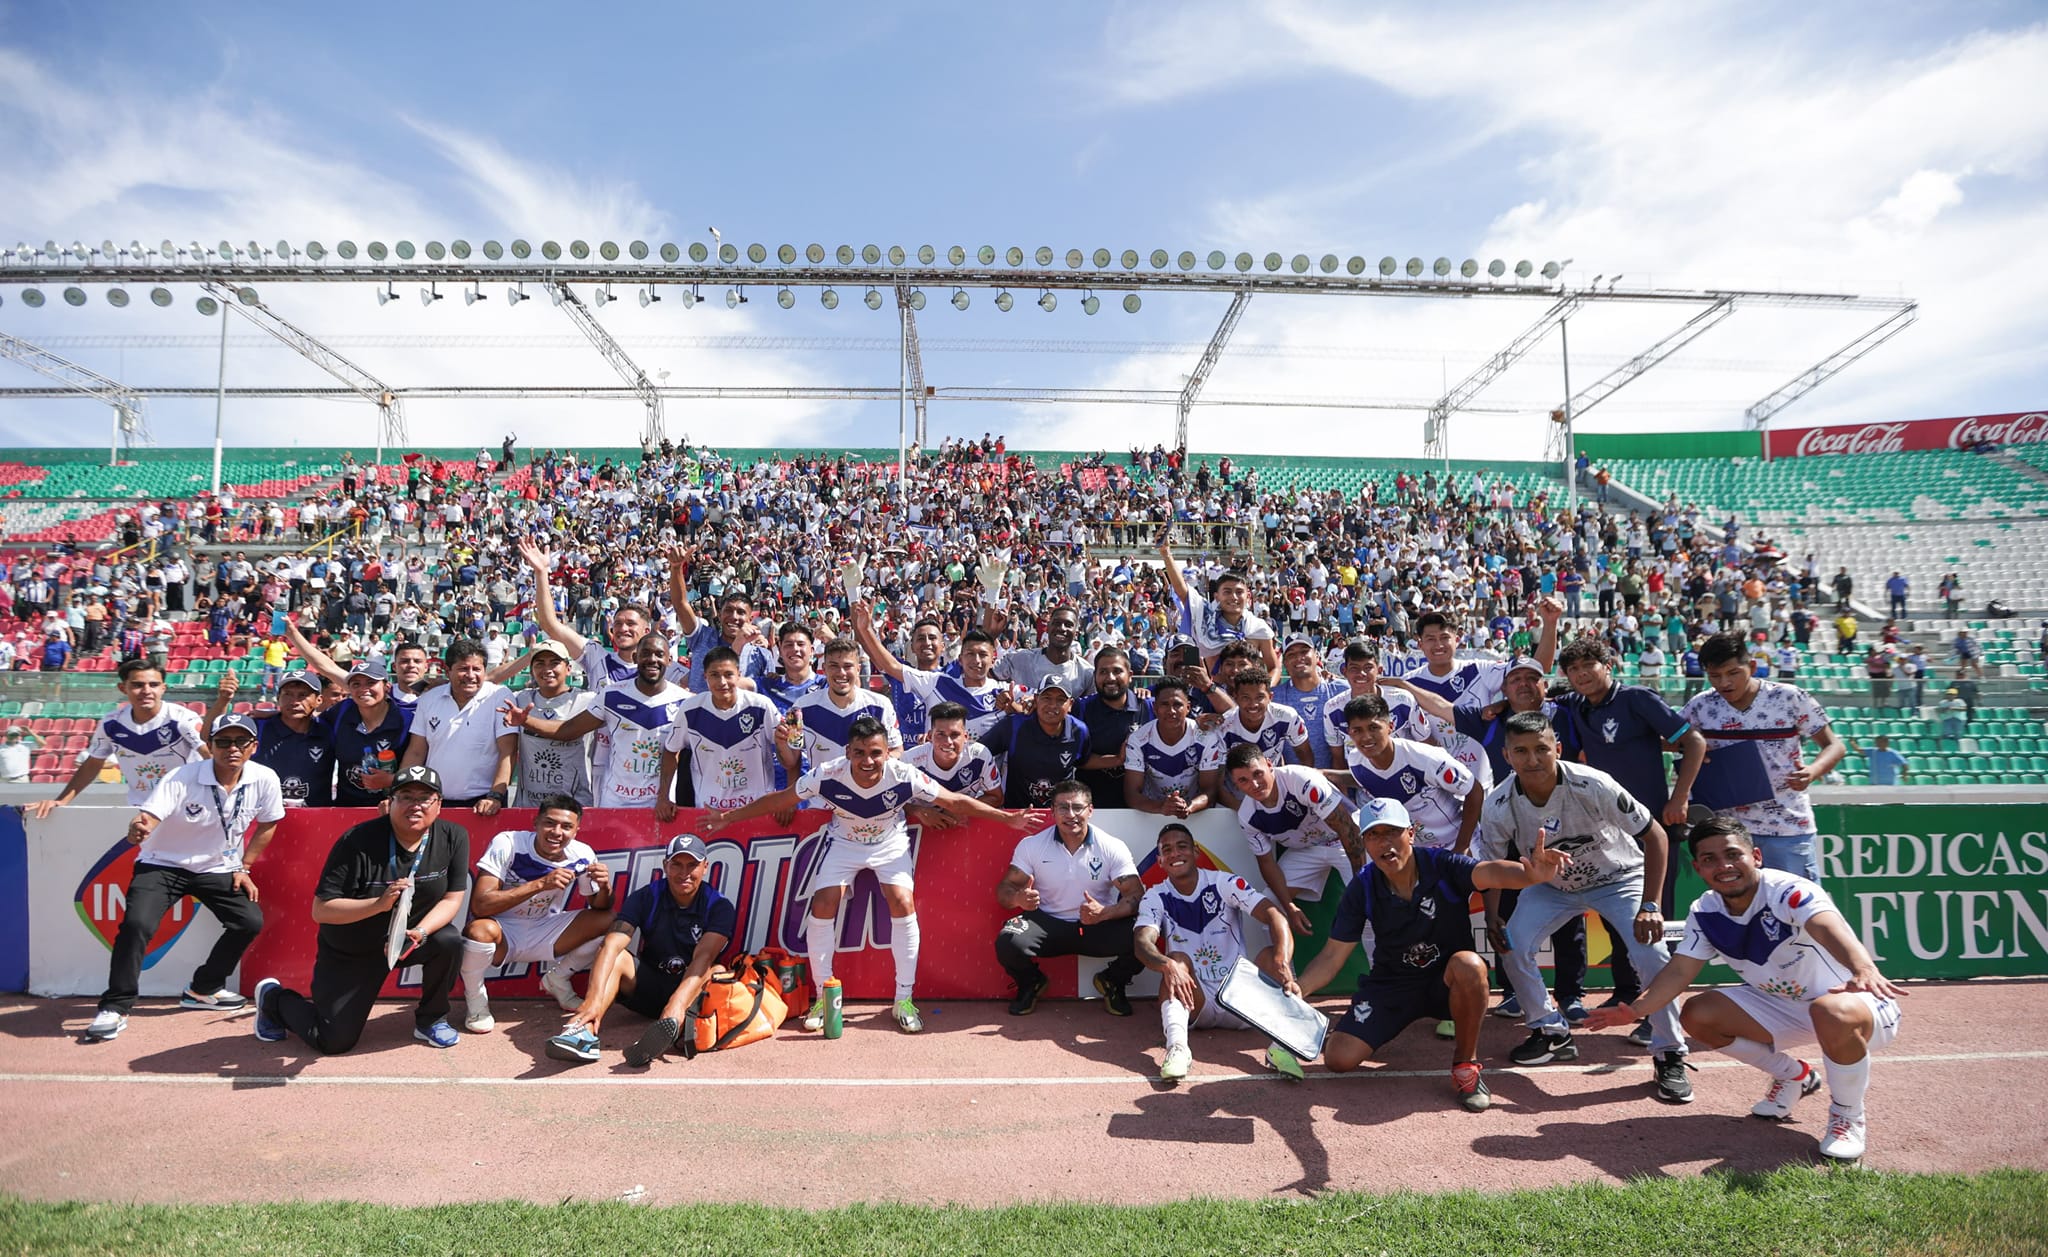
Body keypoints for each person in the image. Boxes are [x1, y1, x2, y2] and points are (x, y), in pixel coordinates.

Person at [1582, 818, 1907, 1161]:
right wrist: (1636, 1010)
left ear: (1756, 856)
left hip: (1857, 1005)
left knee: (1829, 1010)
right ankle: (1794, 1075)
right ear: (1697, 868)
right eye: (1709, 859)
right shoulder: (1705, 910)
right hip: (1784, 1006)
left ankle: (1847, 1117)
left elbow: (1827, 927)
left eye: (1732, 854)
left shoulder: (1788, 890)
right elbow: (1679, 971)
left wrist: (1863, 968)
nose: (1723, 866)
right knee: (1699, 1013)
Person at [702, 716, 1033, 1034]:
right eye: (859, 753)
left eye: (876, 753)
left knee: (902, 902)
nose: (868, 761)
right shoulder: (826, 774)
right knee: (823, 904)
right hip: (843, 842)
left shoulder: (905, 775)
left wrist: (1006, 820)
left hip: (889, 844)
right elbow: (781, 799)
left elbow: (956, 801)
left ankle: (903, 1000)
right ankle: (823, 997)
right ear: (847, 753)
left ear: (887, 753)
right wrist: (728, 818)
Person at [1291, 797, 1572, 1112]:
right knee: (1338, 1060)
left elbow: (1491, 873)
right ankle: (1354, 1030)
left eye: (1392, 832)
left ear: (1411, 833)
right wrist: (1298, 990)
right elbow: (1331, 957)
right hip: (1393, 986)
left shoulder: (1442, 865)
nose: (1384, 843)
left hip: (1447, 982)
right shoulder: (1362, 887)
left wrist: (1530, 876)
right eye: (1373, 835)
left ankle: (1466, 1066)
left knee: (1469, 965)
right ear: (1365, 843)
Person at [1480, 714, 1694, 1103]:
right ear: (1506, 756)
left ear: (1557, 748)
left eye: (1541, 749)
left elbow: (1656, 837)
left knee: (1651, 952)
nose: (1533, 759)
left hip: (1619, 879)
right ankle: (1551, 1031)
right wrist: (1493, 914)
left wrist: (1650, 904)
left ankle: (1670, 1053)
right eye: (1521, 751)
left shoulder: (1592, 783)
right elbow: (1493, 866)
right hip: (1551, 886)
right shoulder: (1497, 804)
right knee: (1510, 942)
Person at [82, 714, 284, 1042]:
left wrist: (244, 866)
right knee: (136, 926)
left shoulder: (265, 778)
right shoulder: (182, 776)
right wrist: (141, 825)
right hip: (163, 865)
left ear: (253, 747)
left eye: (240, 742)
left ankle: (204, 989)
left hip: (217, 867)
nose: (231, 748)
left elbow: (269, 823)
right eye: (222, 742)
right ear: (211, 745)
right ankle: (115, 1007)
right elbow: (150, 815)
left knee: (249, 921)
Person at [252, 764, 470, 1053]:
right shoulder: (357, 841)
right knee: (332, 1042)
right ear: (390, 802)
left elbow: (452, 899)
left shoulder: (454, 836)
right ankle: (273, 1000)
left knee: (448, 940)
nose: (415, 805)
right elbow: (322, 910)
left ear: (439, 805)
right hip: (352, 948)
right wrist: (378, 904)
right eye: (405, 796)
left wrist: (418, 931)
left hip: (405, 939)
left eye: (424, 798)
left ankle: (431, 1019)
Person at [545, 834, 733, 1067]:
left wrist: (675, 1005)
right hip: (649, 986)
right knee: (618, 956)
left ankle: (673, 1026)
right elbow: (611, 945)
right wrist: (591, 1001)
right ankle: (583, 1032)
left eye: (692, 865)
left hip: (690, 994)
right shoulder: (646, 897)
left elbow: (703, 957)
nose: (684, 873)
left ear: (705, 867)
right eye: (676, 864)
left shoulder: (719, 905)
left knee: (716, 969)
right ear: (665, 866)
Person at [1134, 822, 1302, 1082]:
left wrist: (1282, 961)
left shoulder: (1225, 883)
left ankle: (1281, 1047)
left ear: (1196, 851)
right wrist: (1166, 965)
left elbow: (1274, 915)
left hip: (1241, 998)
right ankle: (1178, 1048)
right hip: (1194, 998)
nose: (1175, 854)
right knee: (1176, 961)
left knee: (1271, 955)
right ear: (1160, 861)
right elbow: (1142, 942)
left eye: (1181, 847)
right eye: (1167, 850)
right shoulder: (1155, 896)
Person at [1681, 632, 1844, 883]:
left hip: (1786, 827)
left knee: (1797, 910)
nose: (1724, 682)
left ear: (1752, 666)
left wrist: (1813, 771)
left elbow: (1834, 746)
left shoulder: (1790, 697)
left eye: (1733, 673)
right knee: (1739, 913)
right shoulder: (1700, 706)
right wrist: (1696, 747)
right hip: (1727, 835)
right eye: (1715, 676)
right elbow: (1668, 741)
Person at [458, 794, 617, 1033]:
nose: (556, 832)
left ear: (576, 831)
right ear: (536, 823)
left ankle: (558, 979)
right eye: (549, 823)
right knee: (479, 930)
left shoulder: (582, 853)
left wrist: (605, 886)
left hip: (545, 929)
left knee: (611, 922)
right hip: (502, 931)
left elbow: (600, 908)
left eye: (566, 826)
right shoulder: (509, 842)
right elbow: (480, 905)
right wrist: (540, 884)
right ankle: (476, 1000)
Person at [995, 780, 1146, 1018]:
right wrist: (1018, 899)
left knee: (1146, 935)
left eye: (1078, 807)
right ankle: (1031, 982)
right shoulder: (1032, 845)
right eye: (1063, 808)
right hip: (1046, 924)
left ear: (1090, 810)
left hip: (1098, 926)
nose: (1071, 814)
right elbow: (1004, 889)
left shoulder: (1112, 847)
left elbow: (1137, 895)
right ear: (1052, 811)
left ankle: (1112, 981)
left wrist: (1105, 913)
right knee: (1008, 940)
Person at [503, 634, 689, 809]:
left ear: (670, 660)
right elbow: (568, 730)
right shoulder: (612, 696)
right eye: (646, 654)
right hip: (615, 802)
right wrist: (525, 721)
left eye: (659, 654)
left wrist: (665, 796)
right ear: (635, 657)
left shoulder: (686, 702)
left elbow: (680, 753)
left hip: (661, 804)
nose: (652, 659)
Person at [30, 660, 225, 820]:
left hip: (187, 808)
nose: (146, 691)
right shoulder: (111, 724)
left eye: (154, 685)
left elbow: (210, 756)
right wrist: (62, 801)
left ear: (163, 688)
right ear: (123, 688)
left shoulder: (182, 718)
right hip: (141, 811)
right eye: (138, 685)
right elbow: (92, 763)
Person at [1224, 744, 1367, 935]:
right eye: (1244, 780)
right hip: (1305, 850)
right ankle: (1282, 964)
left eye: (1258, 774)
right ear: (1236, 785)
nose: (1255, 784)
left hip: (1344, 838)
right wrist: (1290, 907)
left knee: (1368, 901)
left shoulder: (1300, 780)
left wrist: (1360, 881)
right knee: (1271, 907)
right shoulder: (1247, 816)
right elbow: (1266, 862)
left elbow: (1347, 828)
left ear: (1269, 764)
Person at [1335, 694, 1480, 854]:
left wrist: (1462, 845)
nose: (1366, 737)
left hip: (1458, 841)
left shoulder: (1426, 758)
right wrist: (1322, 774)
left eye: (1373, 727)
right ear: (1349, 732)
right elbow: (1365, 779)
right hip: (1417, 851)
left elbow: (1474, 790)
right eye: (1357, 730)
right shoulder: (1356, 761)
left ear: (1390, 726)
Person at [658, 645, 785, 816]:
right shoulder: (690, 709)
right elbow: (671, 750)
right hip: (708, 811)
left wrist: (786, 798)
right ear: (705, 677)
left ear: (739, 674)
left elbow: (786, 751)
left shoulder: (761, 706)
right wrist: (664, 796)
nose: (722, 682)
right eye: (714, 675)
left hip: (756, 810)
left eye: (728, 674)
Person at [854, 603, 1007, 735]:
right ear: (911, 646)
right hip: (908, 757)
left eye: (933, 638)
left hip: (942, 753)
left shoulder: (949, 676)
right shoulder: (899, 671)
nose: (927, 643)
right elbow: (869, 647)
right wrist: (854, 598)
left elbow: (979, 647)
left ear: (943, 645)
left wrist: (992, 630)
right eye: (920, 639)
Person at [400, 639, 516, 812]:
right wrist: (400, 791)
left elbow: (508, 751)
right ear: (448, 671)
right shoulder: (428, 699)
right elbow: (416, 751)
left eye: (477, 669)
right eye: (463, 669)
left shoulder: (500, 696)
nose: (471, 675)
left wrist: (495, 796)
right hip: (433, 801)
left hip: (485, 803)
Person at [1156, 531, 1279, 678]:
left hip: (1246, 698)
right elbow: (1182, 592)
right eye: (1227, 592)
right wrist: (1166, 553)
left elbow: (1274, 668)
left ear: (1248, 596)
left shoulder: (1259, 628)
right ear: (1216, 596)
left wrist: (1260, 692)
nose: (1233, 597)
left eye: (1239, 592)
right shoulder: (1205, 619)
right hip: (1208, 694)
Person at [782, 635, 904, 772]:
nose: (841, 673)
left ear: (858, 669)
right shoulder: (799, 708)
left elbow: (897, 750)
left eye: (848, 666)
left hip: (869, 791)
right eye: (834, 666)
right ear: (824, 668)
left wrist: (871, 765)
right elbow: (791, 761)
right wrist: (781, 741)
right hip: (821, 792)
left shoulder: (881, 705)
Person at [504, 640, 597, 806]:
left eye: (554, 663)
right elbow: (486, 682)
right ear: (532, 671)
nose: (547, 670)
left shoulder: (588, 701)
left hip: (575, 807)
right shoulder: (520, 699)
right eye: (540, 664)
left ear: (568, 669)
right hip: (529, 806)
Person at [978, 674, 1089, 808]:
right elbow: (978, 753)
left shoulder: (1080, 731)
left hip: (1060, 814)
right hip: (1017, 813)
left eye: (1061, 700)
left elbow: (1083, 762)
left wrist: (1117, 760)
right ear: (1036, 700)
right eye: (1047, 698)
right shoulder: (1014, 726)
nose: (1053, 705)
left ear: (1070, 704)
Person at [1121, 677, 1219, 817]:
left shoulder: (1206, 738)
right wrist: (1162, 807)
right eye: (1164, 704)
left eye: (1177, 704)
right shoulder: (1138, 739)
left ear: (1188, 708)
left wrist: (1189, 807)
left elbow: (1210, 791)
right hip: (1152, 813)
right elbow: (1132, 794)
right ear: (1154, 708)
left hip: (1194, 815)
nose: (1171, 711)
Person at [323, 658, 413, 807]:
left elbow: (418, 765)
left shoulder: (406, 720)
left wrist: (393, 781)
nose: (363, 689)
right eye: (356, 684)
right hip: (346, 808)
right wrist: (273, 715)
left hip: (392, 809)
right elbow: (307, 722)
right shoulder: (341, 711)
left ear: (387, 687)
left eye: (371, 683)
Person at [1073, 646, 1151, 804]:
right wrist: (1117, 759)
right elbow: (1076, 759)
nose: (1110, 678)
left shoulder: (1148, 706)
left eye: (1117, 671)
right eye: (1103, 672)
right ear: (1095, 676)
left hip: (1142, 806)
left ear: (1130, 676)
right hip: (1094, 805)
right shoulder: (1081, 708)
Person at [253, 668, 332, 807]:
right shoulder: (258, 728)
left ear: (319, 700)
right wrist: (224, 701)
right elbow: (209, 741)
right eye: (288, 694)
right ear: (278, 698)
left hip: (317, 817)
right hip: (263, 816)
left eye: (302, 695)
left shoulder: (329, 730)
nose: (294, 701)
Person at [1273, 634, 1352, 769]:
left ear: (1317, 655)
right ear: (1285, 663)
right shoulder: (1275, 698)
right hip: (1296, 786)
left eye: (1304, 651)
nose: (1299, 658)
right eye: (1291, 654)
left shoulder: (1342, 690)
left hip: (1340, 785)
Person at [901, 701, 1003, 803]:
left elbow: (996, 797)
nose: (948, 742)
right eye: (941, 734)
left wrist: (963, 810)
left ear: (966, 737)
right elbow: (892, 806)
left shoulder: (980, 755)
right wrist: (918, 812)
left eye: (955, 734)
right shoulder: (909, 761)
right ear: (930, 736)